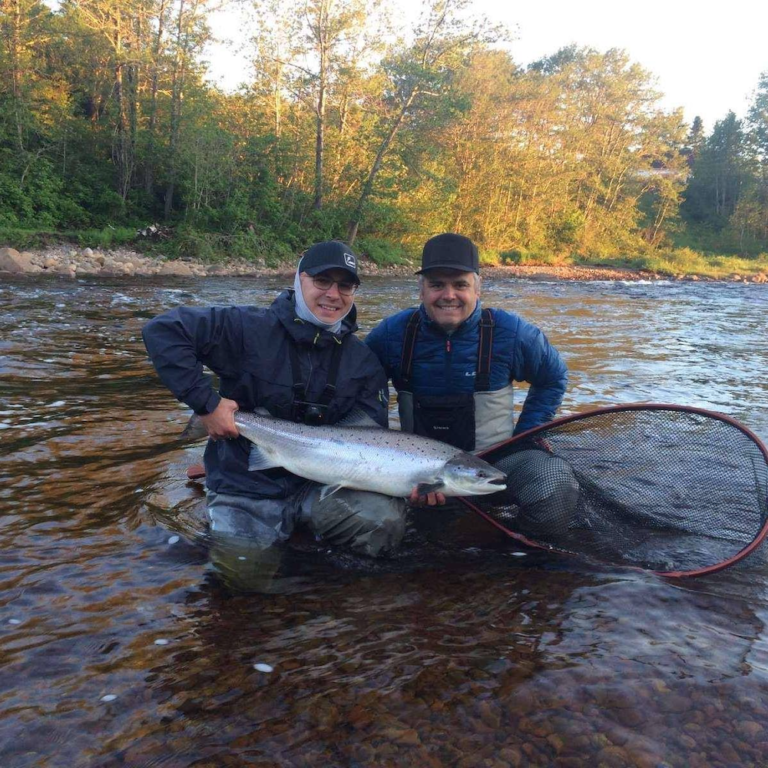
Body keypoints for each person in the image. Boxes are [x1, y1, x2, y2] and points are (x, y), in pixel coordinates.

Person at [142, 241, 407, 589]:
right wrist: (206, 403)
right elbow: (162, 330)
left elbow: (372, 439)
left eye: (345, 286)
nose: (333, 294)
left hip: (320, 487)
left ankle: (332, 602)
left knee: (383, 523)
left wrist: (405, 484)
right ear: (299, 279)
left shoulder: (364, 363)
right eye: (322, 281)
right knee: (241, 581)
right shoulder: (245, 328)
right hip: (246, 484)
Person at [365, 232, 578, 536]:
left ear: (478, 288)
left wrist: (528, 434)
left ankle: (518, 561)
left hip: (498, 461)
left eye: (460, 285)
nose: (448, 295)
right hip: (415, 467)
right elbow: (361, 386)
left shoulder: (512, 332)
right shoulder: (392, 334)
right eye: (437, 284)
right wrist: (376, 441)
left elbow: (553, 377)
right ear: (421, 290)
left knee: (554, 483)